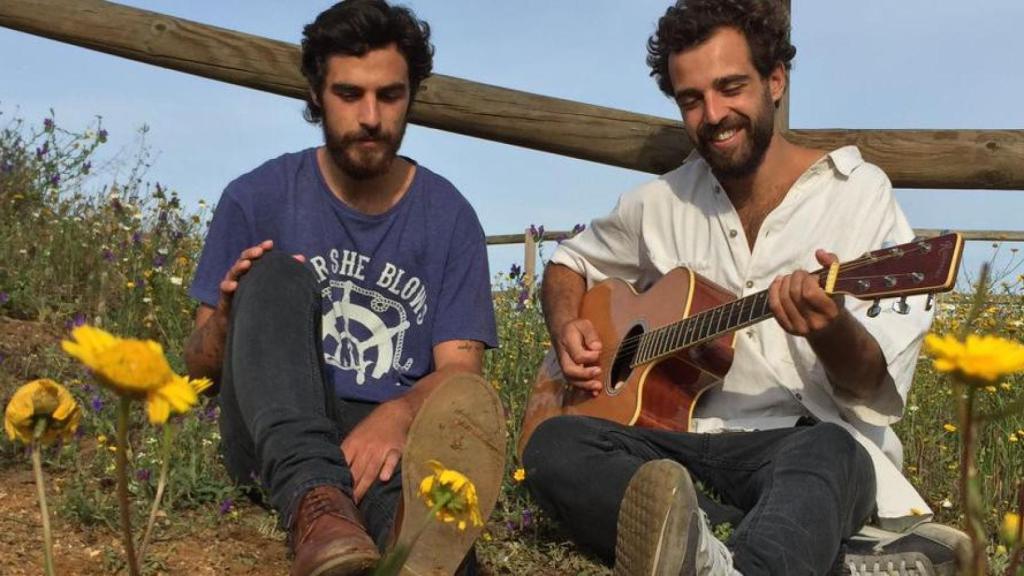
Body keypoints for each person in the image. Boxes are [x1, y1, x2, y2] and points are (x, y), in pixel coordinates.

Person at [522, 1, 965, 574]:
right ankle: (810, 553)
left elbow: (872, 383)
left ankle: (708, 549)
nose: (713, 114)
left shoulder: (856, 194)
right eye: (691, 100)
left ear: (775, 80)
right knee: (553, 448)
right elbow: (568, 263)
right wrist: (567, 327)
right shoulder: (658, 203)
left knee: (833, 451)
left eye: (731, 87)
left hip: (796, 448)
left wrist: (831, 328)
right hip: (677, 444)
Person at [184, 1, 504, 575]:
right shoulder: (255, 197)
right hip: (269, 427)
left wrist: (400, 413)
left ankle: (405, 545)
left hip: (382, 445)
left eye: (390, 95)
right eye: (349, 94)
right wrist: (230, 322)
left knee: (420, 521)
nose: (371, 117)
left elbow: (461, 372)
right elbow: (196, 367)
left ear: (412, 96)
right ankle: (316, 498)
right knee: (275, 271)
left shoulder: (449, 215)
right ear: (315, 95)